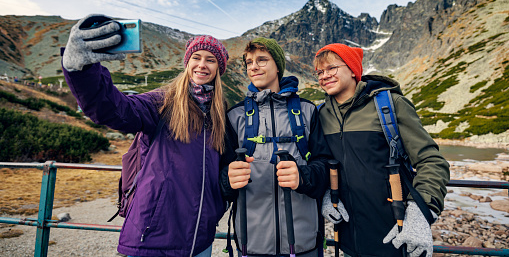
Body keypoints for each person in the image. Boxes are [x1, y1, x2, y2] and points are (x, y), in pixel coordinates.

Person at [62, 14, 231, 257]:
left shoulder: (220, 114)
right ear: (187, 62)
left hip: (199, 239)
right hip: (153, 236)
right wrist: (81, 69)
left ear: (219, 69)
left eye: (211, 60)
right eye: (196, 57)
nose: (202, 65)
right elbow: (115, 110)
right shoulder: (162, 102)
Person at [314, 43, 450, 257]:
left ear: (352, 69)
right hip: (349, 239)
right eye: (320, 72)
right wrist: (325, 195)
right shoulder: (321, 115)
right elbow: (321, 162)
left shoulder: (391, 105)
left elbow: (431, 161)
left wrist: (419, 213)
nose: (324, 76)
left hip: (396, 235)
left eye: (332, 68)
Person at [220, 37, 331, 257]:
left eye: (262, 60)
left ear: (278, 66)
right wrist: (228, 180)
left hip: (304, 243)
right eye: (249, 62)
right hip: (251, 245)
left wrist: (303, 177)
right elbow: (221, 178)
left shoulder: (308, 112)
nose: (254, 66)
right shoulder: (235, 116)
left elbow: (325, 166)